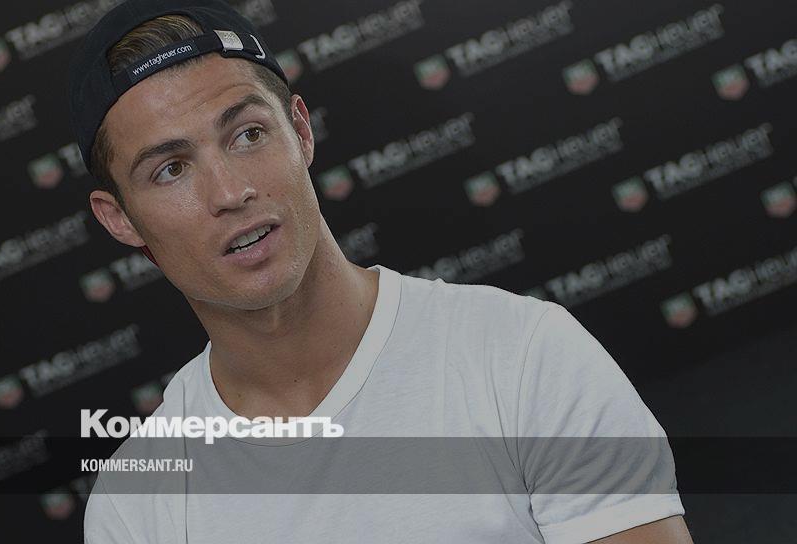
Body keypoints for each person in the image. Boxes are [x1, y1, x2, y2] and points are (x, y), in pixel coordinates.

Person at [68, 1, 695, 542]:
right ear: (119, 218)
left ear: (301, 132)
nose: (230, 192)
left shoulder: (524, 355)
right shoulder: (137, 506)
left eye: (248, 134)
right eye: (171, 170)